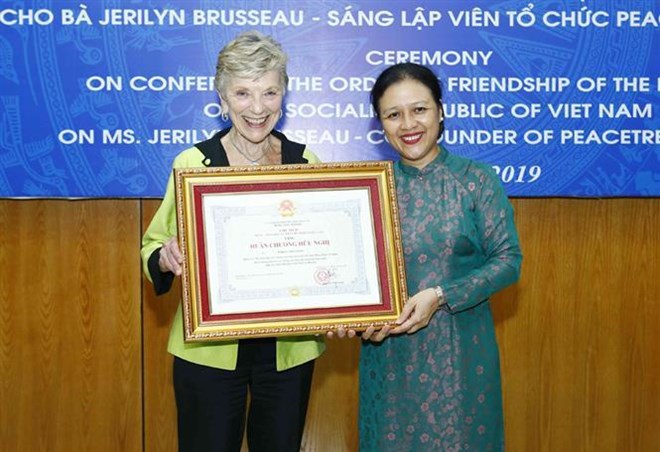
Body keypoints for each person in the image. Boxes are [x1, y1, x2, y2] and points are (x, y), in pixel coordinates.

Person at [140, 31, 324, 452]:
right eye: (242, 93)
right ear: (222, 99)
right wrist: (166, 257)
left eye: (269, 92)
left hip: (288, 352)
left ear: (284, 96)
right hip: (208, 351)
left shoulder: (305, 162)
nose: (257, 108)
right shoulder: (193, 163)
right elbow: (151, 246)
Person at [358, 63, 522, 451]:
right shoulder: (369, 190)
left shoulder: (476, 180)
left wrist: (441, 294)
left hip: (461, 356)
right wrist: (357, 317)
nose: (408, 124)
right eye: (393, 114)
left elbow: (508, 259)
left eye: (420, 109)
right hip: (389, 358)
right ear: (380, 123)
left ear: (441, 111)